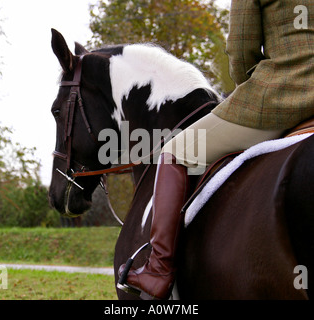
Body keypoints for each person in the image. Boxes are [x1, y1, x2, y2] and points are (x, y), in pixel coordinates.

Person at [118, 0, 314, 300]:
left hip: (280, 98)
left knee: (175, 152)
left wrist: (246, 87)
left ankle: (158, 269)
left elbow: (241, 49)